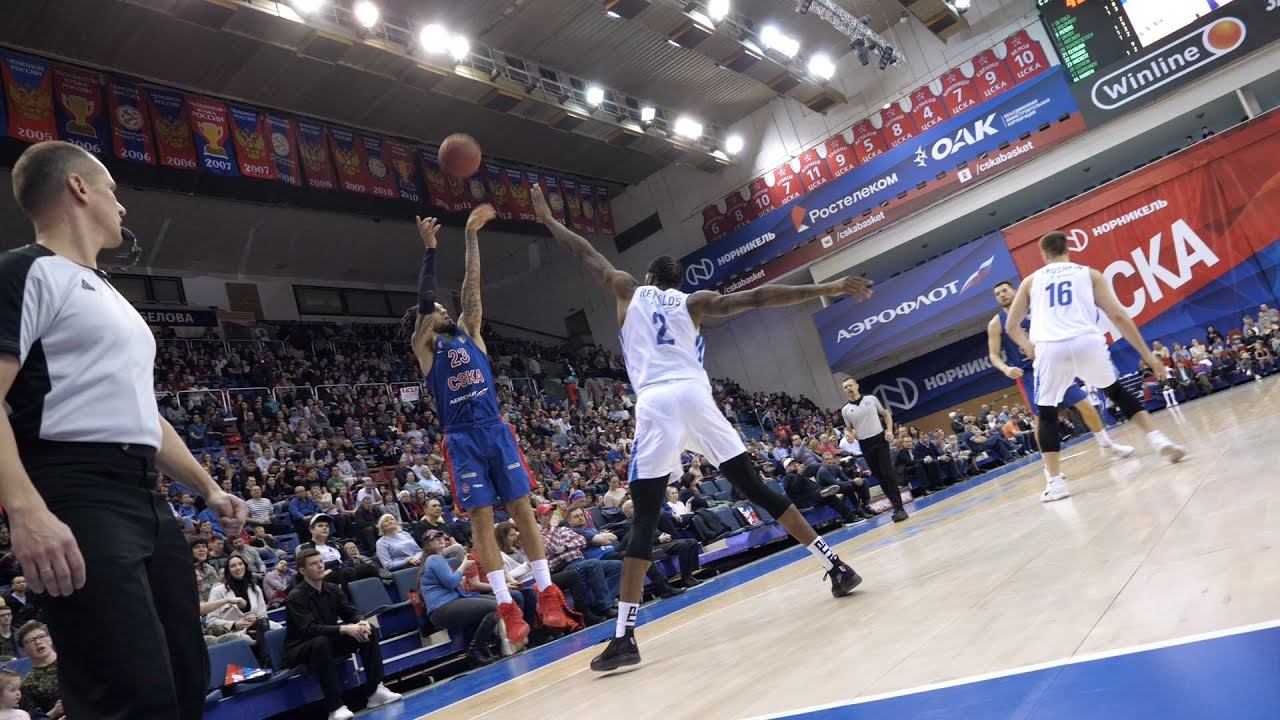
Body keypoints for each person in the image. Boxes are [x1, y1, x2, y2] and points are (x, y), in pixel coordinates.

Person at [532, 185, 868, 672]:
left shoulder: (628, 288)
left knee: (645, 516)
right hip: (696, 395)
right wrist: (826, 289)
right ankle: (834, 564)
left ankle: (625, 637)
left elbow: (582, 251)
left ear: (649, 278)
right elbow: (760, 297)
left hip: (657, 403)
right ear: (678, 282)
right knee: (755, 486)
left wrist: (546, 218)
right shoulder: (695, 303)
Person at [0, 140, 247, 720]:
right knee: (131, 694)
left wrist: (207, 487)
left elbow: (142, 411)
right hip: (75, 491)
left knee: (187, 677)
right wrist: (26, 509)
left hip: (145, 495)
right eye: (113, 189)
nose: (123, 206)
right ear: (80, 188)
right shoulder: (22, 271)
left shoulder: (109, 293)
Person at [403, 208, 572, 647]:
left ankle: (547, 591)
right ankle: (505, 604)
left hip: (493, 428)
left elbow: (471, 290)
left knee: (522, 509)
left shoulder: (470, 333)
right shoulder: (426, 349)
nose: (443, 308)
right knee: (480, 519)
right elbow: (424, 305)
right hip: (462, 438)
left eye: (445, 307)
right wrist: (430, 251)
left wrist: (472, 238)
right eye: (436, 309)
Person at [1005, 231, 1186, 502]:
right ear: (1068, 250)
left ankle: (1056, 483)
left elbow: (1012, 326)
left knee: (1047, 413)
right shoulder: (1090, 274)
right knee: (1116, 391)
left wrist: (1027, 344)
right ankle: (1158, 439)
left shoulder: (1031, 281)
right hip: (1087, 341)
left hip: (1051, 347)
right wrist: (1149, 357)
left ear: (1043, 255)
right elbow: (1118, 315)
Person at [988, 280, 1134, 460]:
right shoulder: (996, 323)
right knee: (1040, 421)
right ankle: (1047, 466)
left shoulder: (1036, 307)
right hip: (1029, 375)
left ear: (1015, 291)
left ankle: (1108, 444)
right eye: (998, 294)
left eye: (1004, 291)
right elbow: (993, 355)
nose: (1002, 295)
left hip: (1053, 365)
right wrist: (1006, 368)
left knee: (1085, 405)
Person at [283, 548, 401, 720]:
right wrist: (344, 629)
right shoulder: (296, 596)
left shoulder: (332, 589)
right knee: (320, 642)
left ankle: (375, 690)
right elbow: (309, 629)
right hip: (299, 648)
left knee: (369, 629)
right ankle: (335, 707)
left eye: (320, 562)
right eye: (313, 564)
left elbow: (350, 612)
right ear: (302, 571)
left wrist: (359, 621)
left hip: (326, 641)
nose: (319, 566)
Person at [419, 530, 514, 667]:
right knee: (496, 607)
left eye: (441, 537)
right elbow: (451, 583)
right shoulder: (434, 559)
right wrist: (463, 565)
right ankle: (475, 650)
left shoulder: (436, 559)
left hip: (449, 604)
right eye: (435, 538)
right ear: (427, 544)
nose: (440, 540)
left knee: (495, 604)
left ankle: (483, 648)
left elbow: (450, 582)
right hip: (442, 608)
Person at [839, 379, 910, 523]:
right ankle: (895, 506)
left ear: (857, 386)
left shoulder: (871, 399)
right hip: (865, 444)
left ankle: (899, 508)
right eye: (845, 387)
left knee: (887, 473)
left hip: (880, 440)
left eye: (850, 385)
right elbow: (849, 427)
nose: (848, 388)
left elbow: (886, 414)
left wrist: (889, 430)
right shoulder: (845, 410)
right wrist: (850, 434)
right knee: (879, 476)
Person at [15, 622, 60, 719]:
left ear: (50, 639)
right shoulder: (27, 684)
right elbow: (28, 718)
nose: (38, 642)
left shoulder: (73, 663)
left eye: (41, 636)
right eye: (31, 640)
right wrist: (54, 712)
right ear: (23, 650)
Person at [815, 452, 875, 519]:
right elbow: (836, 483)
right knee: (848, 487)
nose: (830, 461)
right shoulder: (823, 471)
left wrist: (856, 481)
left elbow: (845, 479)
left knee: (864, 481)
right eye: (827, 459)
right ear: (823, 461)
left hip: (836, 488)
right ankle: (859, 510)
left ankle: (866, 505)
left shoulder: (835, 467)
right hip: (827, 491)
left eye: (831, 459)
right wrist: (853, 481)